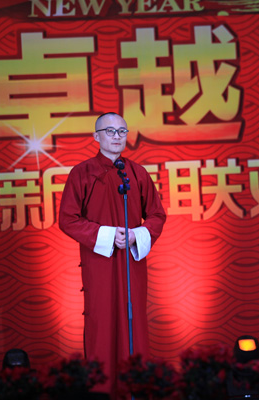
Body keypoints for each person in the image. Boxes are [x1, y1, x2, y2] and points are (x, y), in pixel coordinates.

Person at [59, 112, 166, 395]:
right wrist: (106, 235)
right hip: (99, 261)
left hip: (132, 260)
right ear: (96, 136)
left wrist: (135, 235)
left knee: (135, 324)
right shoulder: (82, 173)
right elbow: (68, 219)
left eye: (122, 131)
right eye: (110, 131)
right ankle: (102, 391)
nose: (117, 136)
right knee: (101, 324)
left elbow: (156, 215)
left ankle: (136, 390)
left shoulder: (137, 173)